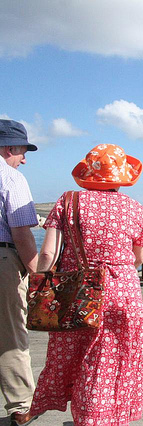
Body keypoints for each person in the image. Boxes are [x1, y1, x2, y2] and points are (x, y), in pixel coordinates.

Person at [29, 143, 143, 425]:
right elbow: (139, 258)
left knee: (75, 354)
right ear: (121, 178)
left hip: (78, 292)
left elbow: (47, 253)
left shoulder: (69, 201)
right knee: (111, 358)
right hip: (124, 293)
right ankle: (107, 416)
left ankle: (88, 417)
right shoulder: (134, 208)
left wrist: (39, 292)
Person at [0, 120, 39, 426]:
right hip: (3, 259)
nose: (24, 159)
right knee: (11, 334)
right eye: (22, 151)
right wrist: (36, 270)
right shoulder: (12, 178)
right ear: (8, 149)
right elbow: (21, 232)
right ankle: (21, 405)